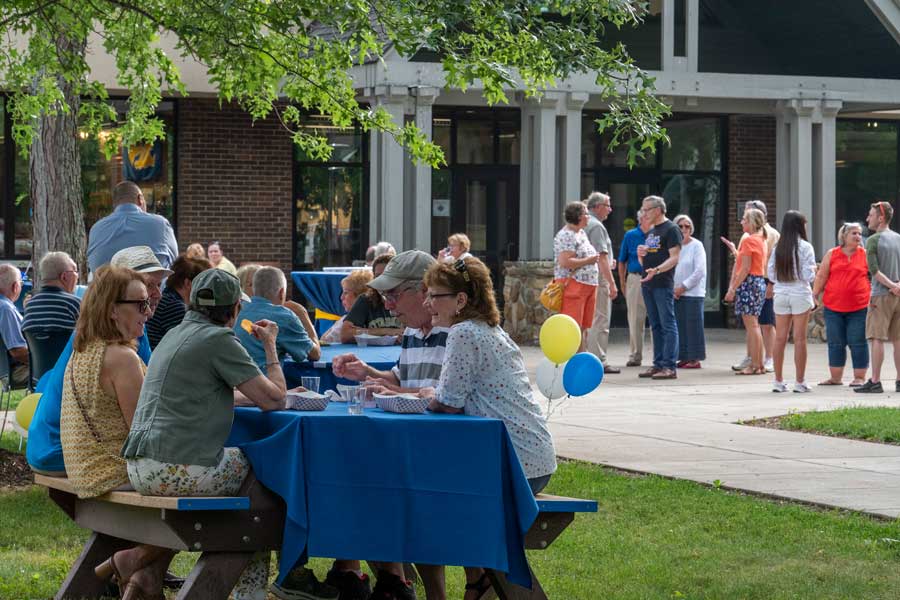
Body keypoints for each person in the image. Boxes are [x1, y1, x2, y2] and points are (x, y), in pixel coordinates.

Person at [121, 269, 339, 600]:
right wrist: (269, 347)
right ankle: (272, 583)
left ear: (192, 301)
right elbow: (275, 399)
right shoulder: (219, 339)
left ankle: (148, 567)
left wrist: (258, 391)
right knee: (269, 477)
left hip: (140, 464)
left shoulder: (174, 334)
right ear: (236, 308)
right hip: (175, 467)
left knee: (252, 499)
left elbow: (213, 393)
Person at [419, 257, 557, 600]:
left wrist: (427, 395)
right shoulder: (491, 331)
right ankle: (477, 582)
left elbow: (449, 401)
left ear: (461, 300)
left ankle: (478, 583)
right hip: (536, 462)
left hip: (517, 470)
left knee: (425, 501)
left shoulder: (463, 333)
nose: (427, 303)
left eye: (434, 295)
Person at [332, 250, 448, 600]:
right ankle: (380, 578)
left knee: (372, 483)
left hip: (444, 454)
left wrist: (390, 387)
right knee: (353, 475)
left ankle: (377, 578)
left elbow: (441, 395)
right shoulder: (412, 333)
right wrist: (367, 373)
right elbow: (400, 377)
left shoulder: (455, 333)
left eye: (393, 295)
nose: (387, 304)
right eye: (384, 296)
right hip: (411, 447)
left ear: (423, 290)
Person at [59, 266, 175, 597]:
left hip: (88, 469)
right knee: (227, 491)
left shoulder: (86, 350)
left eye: (149, 302)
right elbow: (146, 435)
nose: (149, 312)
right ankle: (132, 559)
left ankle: (143, 579)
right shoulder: (121, 358)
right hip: (112, 472)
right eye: (140, 304)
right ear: (112, 310)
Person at [26, 246, 170, 477]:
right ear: (116, 294)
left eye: (157, 286)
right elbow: (144, 418)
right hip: (69, 455)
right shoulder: (122, 347)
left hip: (51, 448)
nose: (157, 294)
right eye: (147, 286)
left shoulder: (89, 336)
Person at [722, 199, 780, 373]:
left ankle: (755, 364)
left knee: (753, 326)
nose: (741, 222)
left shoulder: (749, 240)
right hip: (758, 282)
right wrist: (734, 250)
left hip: (749, 283)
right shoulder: (760, 239)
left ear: (752, 222)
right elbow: (749, 261)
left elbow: (745, 268)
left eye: (744, 220)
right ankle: (758, 364)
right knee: (756, 325)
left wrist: (732, 288)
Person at [812, 222, 870, 387]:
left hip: (859, 306)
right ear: (843, 236)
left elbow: (876, 275)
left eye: (859, 234)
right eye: (854, 233)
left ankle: (859, 378)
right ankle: (835, 378)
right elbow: (822, 276)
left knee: (857, 341)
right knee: (835, 342)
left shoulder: (865, 254)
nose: (858, 236)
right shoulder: (832, 253)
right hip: (833, 307)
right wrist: (814, 294)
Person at [768, 211, 817, 393]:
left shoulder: (777, 248)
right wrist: (813, 270)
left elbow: (771, 274)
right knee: (800, 339)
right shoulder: (806, 247)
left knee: (780, 338)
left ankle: (778, 381)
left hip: (780, 293)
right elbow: (807, 275)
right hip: (799, 293)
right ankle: (800, 381)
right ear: (799, 225)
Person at [234, 266, 321, 369]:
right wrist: (303, 314)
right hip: (267, 382)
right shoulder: (285, 317)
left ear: (253, 289)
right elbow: (315, 354)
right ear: (281, 292)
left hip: (234, 381)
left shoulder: (235, 310)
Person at [855, 201, 900, 394]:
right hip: (898, 294)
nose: (867, 218)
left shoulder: (873, 240)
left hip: (881, 296)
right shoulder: (898, 238)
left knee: (877, 338)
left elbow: (874, 271)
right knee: (898, 339)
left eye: (870, 215)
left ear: (881, 218)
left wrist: (891, 286)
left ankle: (875, 381)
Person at [87, 180, 179, 274]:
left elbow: (92, 268)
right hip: (151, 287)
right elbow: (175, 265)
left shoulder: (96, 229)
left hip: (108, 287)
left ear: (114, 204)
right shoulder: (160, 224)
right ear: (140, 199)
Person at [636, 195, 682, 380]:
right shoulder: (652, 231)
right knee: (655, 325)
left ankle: (669, 366)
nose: (644, 213)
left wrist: (657, 270)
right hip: (648, 283)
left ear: (657, 210)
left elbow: (674, 257)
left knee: (667, 324)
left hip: (663, 283)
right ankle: (658, 364)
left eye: (646, 210)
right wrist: (641, 255)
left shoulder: (671, 229)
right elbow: (648, 257)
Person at [553, 201, 600, 351]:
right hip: (574, 285)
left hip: (587, 285)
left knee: (584, 325)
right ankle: (574, 358)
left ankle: (582, 355)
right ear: (578, 216)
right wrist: (590, 260)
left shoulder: (580, 233)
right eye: (586, 214)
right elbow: (565, 262)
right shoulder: (566, 235)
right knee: (573, 325)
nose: (589, 217)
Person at [584, 192, 621, 374]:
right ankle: (599, 359)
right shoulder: (596, 226)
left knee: (589, 320)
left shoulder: (584, 224)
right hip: (598, 278)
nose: (610, 209)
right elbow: (602, 258)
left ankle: (587, 356)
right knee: (600, 318)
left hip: (587, 278)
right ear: (597, 206)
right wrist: (612, 283)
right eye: (607, 205)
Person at [146, 255, 212, 349]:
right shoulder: (175, 307)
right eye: (204, 285)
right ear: (188, 283)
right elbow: (191, 347)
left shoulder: (166, 299)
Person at [341, 254, 403, 343]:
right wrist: (386, 331)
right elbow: (345, 334)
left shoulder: (407, 298)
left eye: (386, 275)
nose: (382, 280)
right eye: (378, 276)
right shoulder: (366, 300)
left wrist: (363, 331)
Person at [672, 214, 707, 369]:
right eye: (680, 226)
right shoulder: (674, 246)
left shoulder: (697, 245)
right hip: (675, 292)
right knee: (680, 326)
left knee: (693, 326)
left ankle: (694, 358)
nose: (684, 229)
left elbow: (699, 271)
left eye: (687, 226)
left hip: (692, 293)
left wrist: (683, 287)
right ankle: (684, 357)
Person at [22, 251, 81, 335]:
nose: (77, 277)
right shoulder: (75, 304)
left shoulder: (29, 306)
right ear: (64, 277)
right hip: (67, 348)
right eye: (75, 271)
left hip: (38, 348)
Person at [618, 210, 649, 367]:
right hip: (636, 278)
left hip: (655, 278)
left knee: (658, 320)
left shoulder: (657, 234)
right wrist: (623, 283)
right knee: (635, 319)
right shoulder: (631, 235)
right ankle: (635, 355)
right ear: (641, 219)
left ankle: (661, 356)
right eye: (646, 216)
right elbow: (622, 261)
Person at [320, 269, 373, 344]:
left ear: (360, 296)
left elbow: (324, 342)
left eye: (346, 293)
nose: (341, 297)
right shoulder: (343, 320)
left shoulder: (345, 323)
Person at [0, 264, 29, 386]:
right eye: (21, 284)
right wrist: (42, 357)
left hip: (6, 368)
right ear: (15, 286)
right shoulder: (5, 309)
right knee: (59, 369)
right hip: (16, 371)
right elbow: (17, 352)